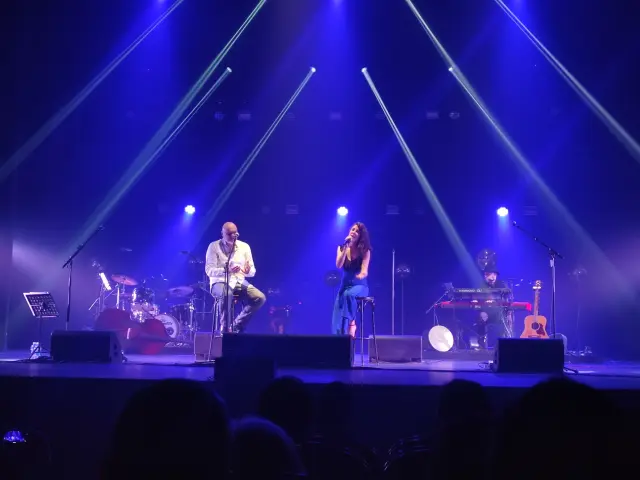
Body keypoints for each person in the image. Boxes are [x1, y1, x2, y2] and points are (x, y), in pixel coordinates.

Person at [205, 222, 266, 333]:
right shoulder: (213, 246)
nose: (233, 236)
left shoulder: (244, 247)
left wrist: (247, 271)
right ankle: (225, 329)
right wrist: (226, 270)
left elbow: (252, 271)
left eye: (235, 233)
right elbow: (209, 270)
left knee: (259, 297)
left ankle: (236, 326)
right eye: (229, 234)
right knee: (227, 293)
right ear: (222, 233)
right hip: (219, 282)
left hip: (238, 281)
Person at [331, 222, 372, 336]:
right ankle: (341, 341)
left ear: (360, 236)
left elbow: (364, 270)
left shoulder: (365, 251)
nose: (353, 232)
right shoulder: (341, 247)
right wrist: (345, 248)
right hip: (344, 287)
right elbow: (339, 265)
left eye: (357, 231)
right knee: (337, 316)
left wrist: (361, 275)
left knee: (348, 295)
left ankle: (352, 322)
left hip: (360, 286)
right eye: (352, 229)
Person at [475, 262, 513, 348]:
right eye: (491, 276)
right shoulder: (480, 286)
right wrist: (481, 311)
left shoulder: (501, 284)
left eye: (495, 275)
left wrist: (509, 313)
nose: (493, 278)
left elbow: (509, 299)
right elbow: (476, 301)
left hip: (499, 313)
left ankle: (503, 345)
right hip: (486, 312)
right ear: (485, 276)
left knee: (505, 321)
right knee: (480, 319)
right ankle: (481, 345)